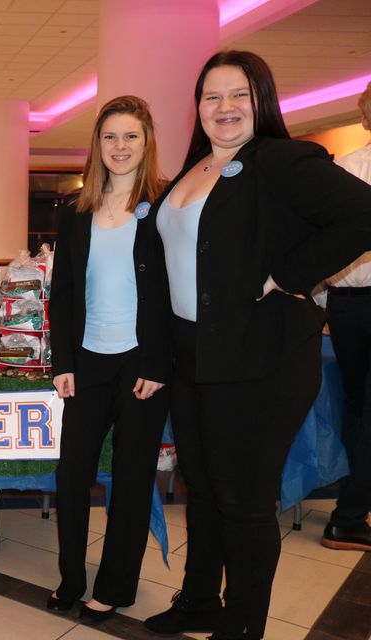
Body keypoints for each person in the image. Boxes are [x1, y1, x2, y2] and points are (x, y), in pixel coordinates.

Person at [144, 51, 371, 640]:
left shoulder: (281, 160)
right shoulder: (194, 168)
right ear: (197, 107)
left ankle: (242, 627)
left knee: (244, 500)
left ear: (262, 100)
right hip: (193, 355)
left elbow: (363, 215)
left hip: (261, 358)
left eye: (239, 95)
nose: (225, 108)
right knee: (202, 486)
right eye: (212, 97)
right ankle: (199, 601)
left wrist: (290, 277)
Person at [46, 95, 171, 623]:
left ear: (147, 143)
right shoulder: (75, 212)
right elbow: (65, 292)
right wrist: (62, 361)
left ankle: (114, 585)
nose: (120, 147)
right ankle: (71, 578)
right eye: (110, 136)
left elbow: (172, 293)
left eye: (131, 136)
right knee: (72, 474)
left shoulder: (165, 208)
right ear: (98, 145)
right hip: (88, 361)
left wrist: (159, 364)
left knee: (133, 475)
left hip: (142, 363)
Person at [318, 81, 371, 553]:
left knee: (358, 408)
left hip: (346, 304)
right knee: (363, 408)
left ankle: (352, 507)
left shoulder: (347, 169)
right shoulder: (346, 170)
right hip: (353, 302)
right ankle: (349, 515)